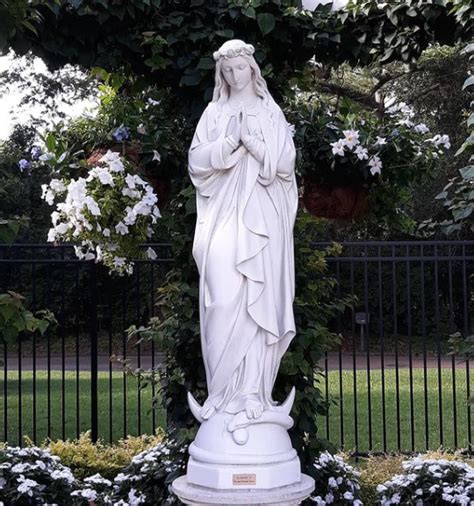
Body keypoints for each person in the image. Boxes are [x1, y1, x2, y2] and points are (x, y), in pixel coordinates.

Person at [188, 39, 298, 425]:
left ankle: (252, 392)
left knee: (258, 300)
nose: (235, 76)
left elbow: (285, 161)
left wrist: (254, 144)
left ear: (253, 69)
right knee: (221, 296)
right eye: (228, 71)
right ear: (222, 74)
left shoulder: (270, 112)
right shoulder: (214, 113)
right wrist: (227, 144)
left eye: (241, 68)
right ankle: (221, 393)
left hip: (263, 219)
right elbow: (196, 160)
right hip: (221, 216)